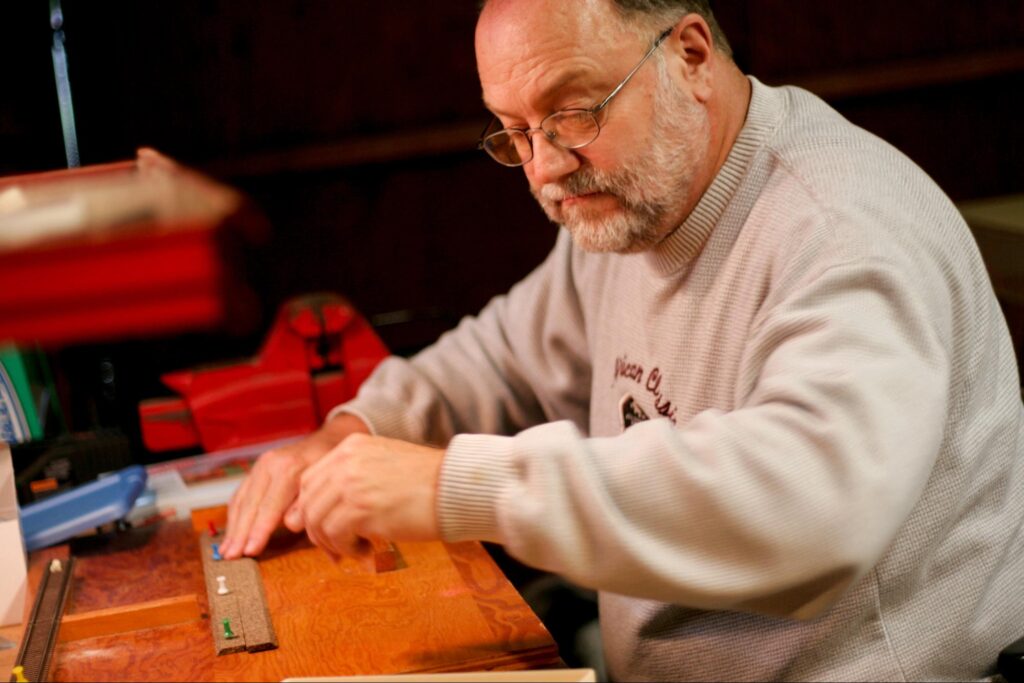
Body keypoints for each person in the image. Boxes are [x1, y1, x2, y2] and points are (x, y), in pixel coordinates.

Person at [222, 0, 1024, 679]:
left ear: (690, 54)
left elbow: (810, 499)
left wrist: (458, 488)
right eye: (514, 133)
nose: (543, 169)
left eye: (572, 113)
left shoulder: (843, 227)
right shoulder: (633, 208)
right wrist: (351, 431)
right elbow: (500, 357)